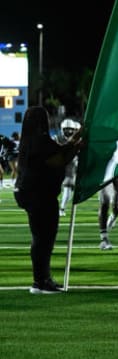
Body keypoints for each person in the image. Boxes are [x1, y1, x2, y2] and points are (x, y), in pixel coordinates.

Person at [13, 106, 83, 294]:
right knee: (44, 239)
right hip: (39, 195)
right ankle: (41, 281)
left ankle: (42, 279)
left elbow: (61, 150)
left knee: (41, 238)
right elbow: (60, 159)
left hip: (29, 193)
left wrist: (77, 139)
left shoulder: (29, 141)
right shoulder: (40, 141)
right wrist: (77, 146)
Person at [55, 118, 82, 216]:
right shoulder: (57, 139)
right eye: (66, 129)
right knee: (67, 187)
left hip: (73, 166)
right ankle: (61, 208)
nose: (69, 131)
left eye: (70, 129)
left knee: (70, 190)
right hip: (61, 166)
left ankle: (62, 207)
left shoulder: (77, 140)